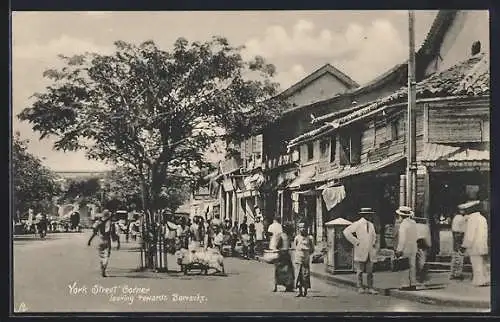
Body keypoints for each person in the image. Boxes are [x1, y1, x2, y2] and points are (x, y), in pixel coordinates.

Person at [343, 207, 379, 294]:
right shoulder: (357, 224)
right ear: (364, 215)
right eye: (368, 214)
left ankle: (370, 287)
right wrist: (356, 242)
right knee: (360, 270)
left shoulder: (371, 225)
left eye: (370, 214)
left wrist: (374, 243)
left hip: (370, 250)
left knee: (370, 271)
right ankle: (360, 287)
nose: (370, 216)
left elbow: (374, 236)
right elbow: (346, 232)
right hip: (361, 249)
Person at [460, 200, 489, 287]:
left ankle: (479, 281)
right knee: (482, 263)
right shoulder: (482, 218)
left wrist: (464, 245)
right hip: (482, 244)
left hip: (475, 245)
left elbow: (470, 234)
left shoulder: (472, 219)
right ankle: (485, 279)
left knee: (476, 263)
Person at [87, 210, 120, 277]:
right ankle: (104, 267)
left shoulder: (98, 222)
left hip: (100, 240)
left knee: (101, 255)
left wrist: (89, 241)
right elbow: (114, 234)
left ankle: (102, 264)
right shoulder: (111, 224)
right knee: (106, 255)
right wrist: (118, 242)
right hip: (107, 240)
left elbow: (94, 232)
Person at [394, 206, 419, 290]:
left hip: (405, 249)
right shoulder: (413, 223)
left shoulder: (403, 225)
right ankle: (413, 283)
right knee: (412, 266)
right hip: (413, 247)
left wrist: (399, 250)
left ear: (401, 216)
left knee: (404, 266)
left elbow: (402, 239)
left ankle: (405, 284)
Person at [294, 222, 314, 297]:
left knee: (305, 275)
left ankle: (305, 290)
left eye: (303, 227)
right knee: (298, 275)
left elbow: (312, 249)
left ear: (306, 228)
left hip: (306, 259)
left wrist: (307, 254)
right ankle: (299, 292)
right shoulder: (297, 238)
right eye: (300, 227)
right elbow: (295, 246)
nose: (302, 229)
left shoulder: (310, 238)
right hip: (298, 258)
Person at [273, 223, 295, 292]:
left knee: (278, 270)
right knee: (288, 270)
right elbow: (290, 246)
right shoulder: (289, 236)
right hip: (287, 254)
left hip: (281, 254)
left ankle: (277, 286)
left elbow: (277, 245)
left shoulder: (281, 236)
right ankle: (289, 286)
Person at [450, 206, 467, 280]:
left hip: (455, 235)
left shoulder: (455, 217)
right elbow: (464, 230)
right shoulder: (461, 218)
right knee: (460, 255)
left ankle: (453, 273)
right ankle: (458, 273)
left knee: (455, 254)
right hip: (459, 236)